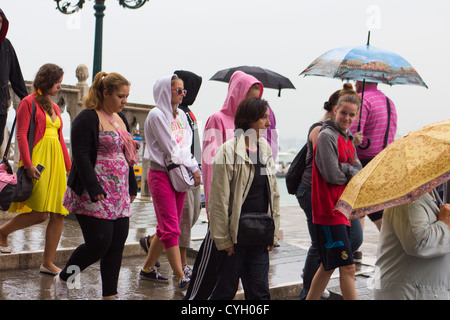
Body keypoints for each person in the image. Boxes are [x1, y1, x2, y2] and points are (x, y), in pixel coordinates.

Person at [54, 71, 137, 300]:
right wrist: (94, 188)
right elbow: (80, 156)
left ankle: (109, 295)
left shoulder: (121, 118)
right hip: (93, 192)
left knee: (116, 245)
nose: (124, 101)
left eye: (127, 96)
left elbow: (126, 155)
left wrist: (131, 187)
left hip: (118, 194)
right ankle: (64, 277)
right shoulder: (87, 118)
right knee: (99, 243)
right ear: (105, 92)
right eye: (121, 96)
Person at [185, 71, 263, 300]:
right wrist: (213, 213)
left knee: (228, 278)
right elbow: (209, 168)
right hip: (222, 214)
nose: (253, 104)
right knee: (207, 272)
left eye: (257, 99)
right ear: (237, 93)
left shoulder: (251, 128)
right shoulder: (217, 119)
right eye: (250, 97)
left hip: (244, 217)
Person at [0, 64, 71, 275]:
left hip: (56, 163)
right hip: (37, 162)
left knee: (59, 214)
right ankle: (2, 232)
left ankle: (47, 263)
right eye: (57, 81)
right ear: (47, 80)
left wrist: (69, 168)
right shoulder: (27, 102)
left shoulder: (55, 107)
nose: (59, 85)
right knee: (40, 214)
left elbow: (60, 141)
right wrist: (28, 164)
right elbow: (21, 134)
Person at [209, 97, 280, 300]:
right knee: (225, 291)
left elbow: (273, 193)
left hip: (259, 234)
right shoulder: (227, 152)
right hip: (235, 236)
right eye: (263, 118)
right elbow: (218, 199)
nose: (268, 123)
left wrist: (272, 234)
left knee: (259, 293)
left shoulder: (265, 149)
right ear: (249, 120)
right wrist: (224, 240)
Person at [297, 86, 363, 299]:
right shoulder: (326, 135)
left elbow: (358, 171)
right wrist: (347, 169)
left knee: (328, 266)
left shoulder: (348, 139)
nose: (347, 117)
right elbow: (332, 175)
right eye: (343, 112)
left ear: (357, 115)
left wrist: (345, 168)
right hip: (328, 210)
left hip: (342, 210)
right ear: (335, 110)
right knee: (348, 268)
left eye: (352, 114)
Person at [139, 74, 201, 290]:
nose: (182, 94)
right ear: (167, 90)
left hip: (179, 174)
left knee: (166, 226)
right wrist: (194, 167)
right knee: (171, 227)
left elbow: (184, 145)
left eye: (184, 91)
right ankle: (180, 275)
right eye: (178, 90)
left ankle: (147, 269)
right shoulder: (156, 115)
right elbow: (172, 148)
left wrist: (191, 166)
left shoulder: (181, 115)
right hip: (161, 174)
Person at [374, 192, 450, 300]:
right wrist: (444, 223)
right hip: (410, 291)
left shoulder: (424, 196)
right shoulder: (410, 201)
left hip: (419, 289)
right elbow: (419, 243)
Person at [349, 81, 397, 236]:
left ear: (362, 81)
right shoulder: (389, 102)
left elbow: (352, 132)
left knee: (365, 206)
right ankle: (357, 246)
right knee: (371, 206)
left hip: (364, 160)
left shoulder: (362, 100)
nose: (355, 83)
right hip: (384, 159)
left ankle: (355, 244)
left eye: (357, 80)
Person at [0, 9, 28, 148]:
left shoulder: (6, 46)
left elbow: (16, 76)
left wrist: (27, 99)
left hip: (1, 107)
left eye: (0, 21)